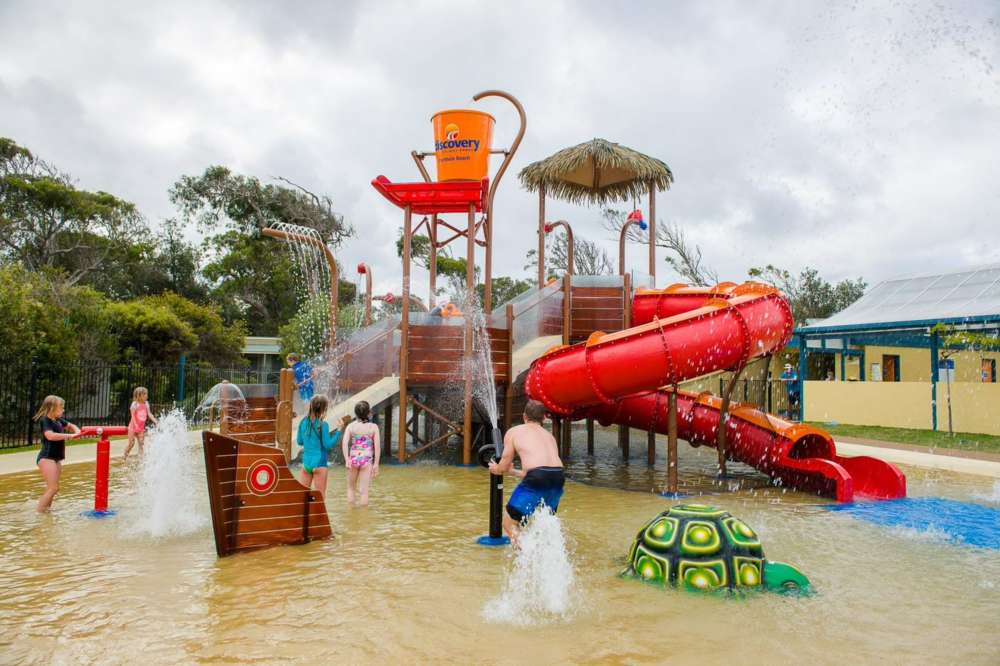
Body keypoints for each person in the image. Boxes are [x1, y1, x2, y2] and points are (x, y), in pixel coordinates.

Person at [488, 399, 565, 547]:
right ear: (544, 418)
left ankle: (528, 554)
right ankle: (550, 555)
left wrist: (496, 469)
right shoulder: (550, 437)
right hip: (558, 477)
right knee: (547, 522)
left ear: (524, 416)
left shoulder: (514, 432)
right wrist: (513, 472)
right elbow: (540, 471)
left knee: (509, 523)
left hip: (537, 477)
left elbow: (503, 465)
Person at [33, 395, 81, 513]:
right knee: (53, 488)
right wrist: (70, 436)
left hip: (56, 459)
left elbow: (71, 426)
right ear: (52, 408)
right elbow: (50, 435)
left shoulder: (58, 420)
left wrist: (77, 431)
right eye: (61, 407)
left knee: (52, 489)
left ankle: (46, 512)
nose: (63, 410)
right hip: (47, 458)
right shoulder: (46, 420)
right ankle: (39, 515)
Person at [296, 395, 349, 498]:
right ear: (324, 409)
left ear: (311, 406)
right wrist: (338, 430)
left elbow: (299, 441)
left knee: (303, 497)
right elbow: (328, 445)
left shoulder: (303, 422)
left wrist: (309, 439)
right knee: (320, 498)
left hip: (306, 464)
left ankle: (306, 514)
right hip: (319, 464)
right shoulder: (323, 425)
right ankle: (317, 514)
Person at [341, 400, 380, 506]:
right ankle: (363, 517)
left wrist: (346, 459)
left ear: (356, 413)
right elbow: (377, 447)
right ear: (369, 413)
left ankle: (351, 513)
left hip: (353, 459)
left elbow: (344, 443)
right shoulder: (373, 427)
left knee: (351, 488)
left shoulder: (351, 426)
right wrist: (376, 464)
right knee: (364, 492)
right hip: (366, 461)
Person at [122, 386, 157, 463]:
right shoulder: (135, 404)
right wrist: (136, 426)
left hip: (141, 428)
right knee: (131, 443)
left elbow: (149, 414)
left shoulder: (146, 404)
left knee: (141, 443)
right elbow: (133, 416)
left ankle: (141, 460)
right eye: (145, 394)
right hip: (133, 427)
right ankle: (124, 457)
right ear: (139, 395)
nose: (147, 396)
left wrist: (155, 421)